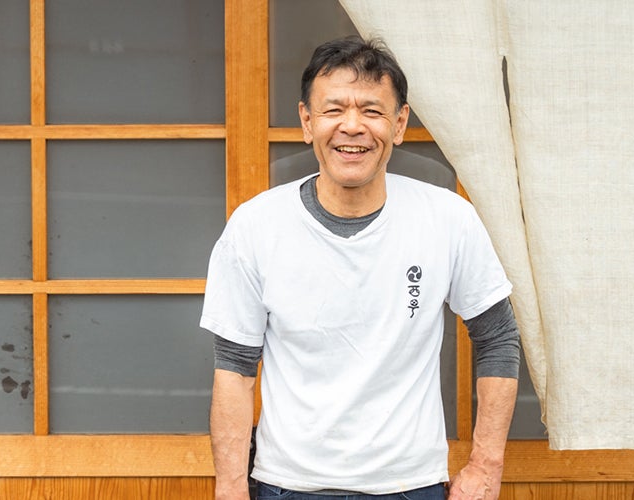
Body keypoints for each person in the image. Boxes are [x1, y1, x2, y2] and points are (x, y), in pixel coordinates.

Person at [201, 36, 520, 500]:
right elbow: (234, 367)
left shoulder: (447, 218)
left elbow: (497, 338)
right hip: (288, 485)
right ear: (307, 122)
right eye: (333, 110)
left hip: (411, 485)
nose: (352, 127)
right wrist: (230, 486)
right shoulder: (256, 225)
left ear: (399, 123)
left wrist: (486, 465)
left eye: (372, 111)